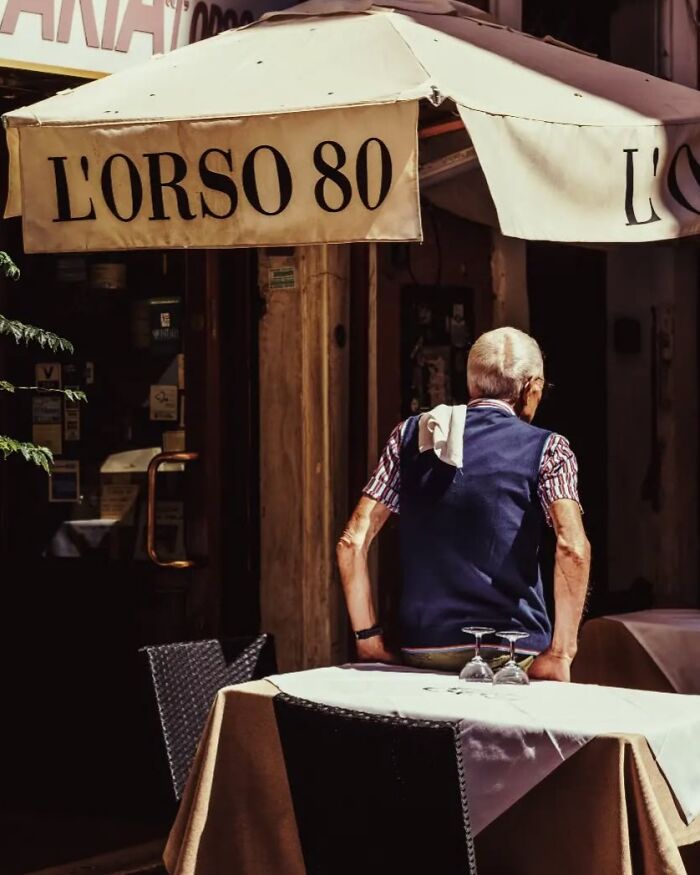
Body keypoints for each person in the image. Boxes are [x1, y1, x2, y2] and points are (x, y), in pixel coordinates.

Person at [337, 326, 591, 682]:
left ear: (472, 384)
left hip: (422, 650)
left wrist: (368, 639)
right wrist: (562, 653)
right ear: (531, 388)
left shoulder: (409, 436)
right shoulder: (550, 449)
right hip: (512, 657)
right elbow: (573, 549)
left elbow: (352, 542)